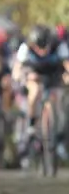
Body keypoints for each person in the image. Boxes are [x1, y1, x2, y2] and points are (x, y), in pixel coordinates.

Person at [11, 25, 69, 166]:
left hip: (53, 74)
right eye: (39, 47)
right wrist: (20, 76)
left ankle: (57, 132)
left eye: (45, 47)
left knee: (59, 98)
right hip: (33, 73)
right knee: (35, 91)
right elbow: (17, 69)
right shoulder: (25, 47)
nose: (42, 51)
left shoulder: (59, 45)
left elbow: (67, 64)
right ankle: (31, 125)